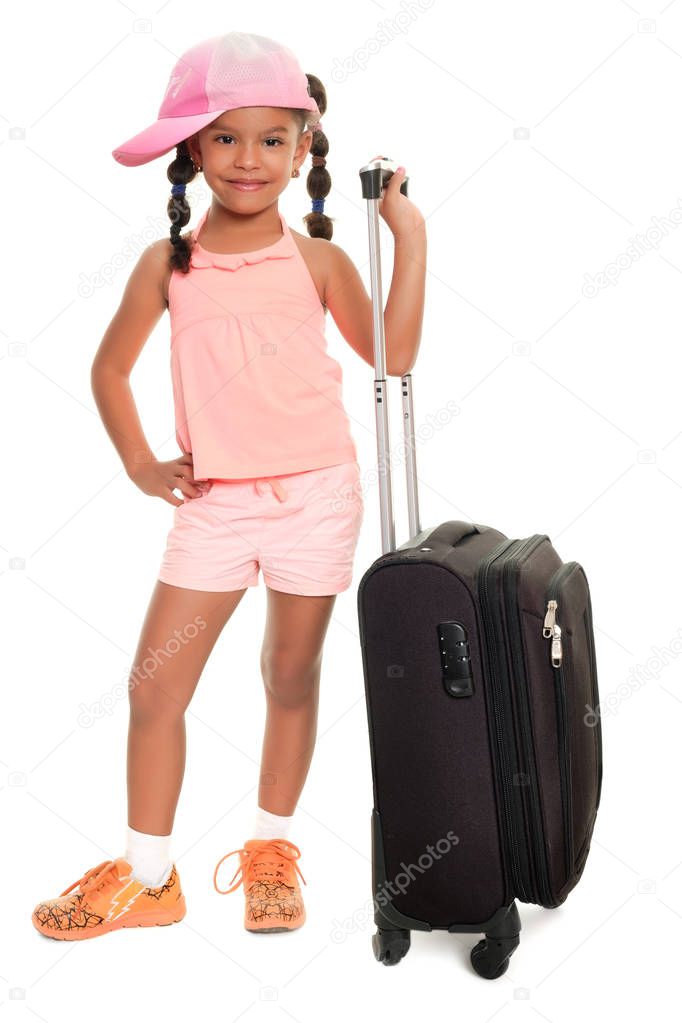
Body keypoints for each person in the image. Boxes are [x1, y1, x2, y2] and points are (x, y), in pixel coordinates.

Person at [31, 31, 426, 941]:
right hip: (213, 506)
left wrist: (411, 238)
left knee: (289, 674)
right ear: (192, 149)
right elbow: (107, 369)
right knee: (152, 690)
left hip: (317, 497)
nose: (249, 159)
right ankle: (149, 876)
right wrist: (138, 460)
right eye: (225, 138)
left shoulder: (320, 262)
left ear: (302, 150)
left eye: (272, 140)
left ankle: (272, 850)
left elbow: (393, 358)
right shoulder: (169, 267)